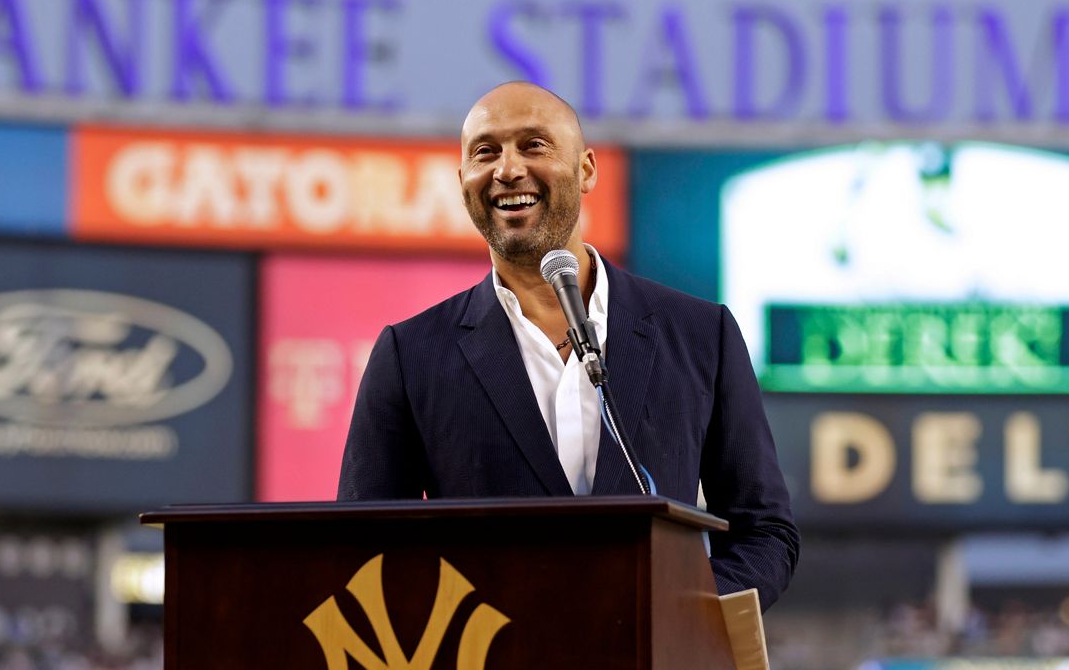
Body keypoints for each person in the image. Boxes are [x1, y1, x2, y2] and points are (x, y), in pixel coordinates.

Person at [337, 81, 798, 610]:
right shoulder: (411, 353)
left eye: (534, 145)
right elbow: (365, 550)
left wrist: (680, 612)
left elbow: (764, 533)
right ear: (463, 179)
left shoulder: (699, 335)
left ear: (586, 170)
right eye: (485, 152)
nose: (508, 169)